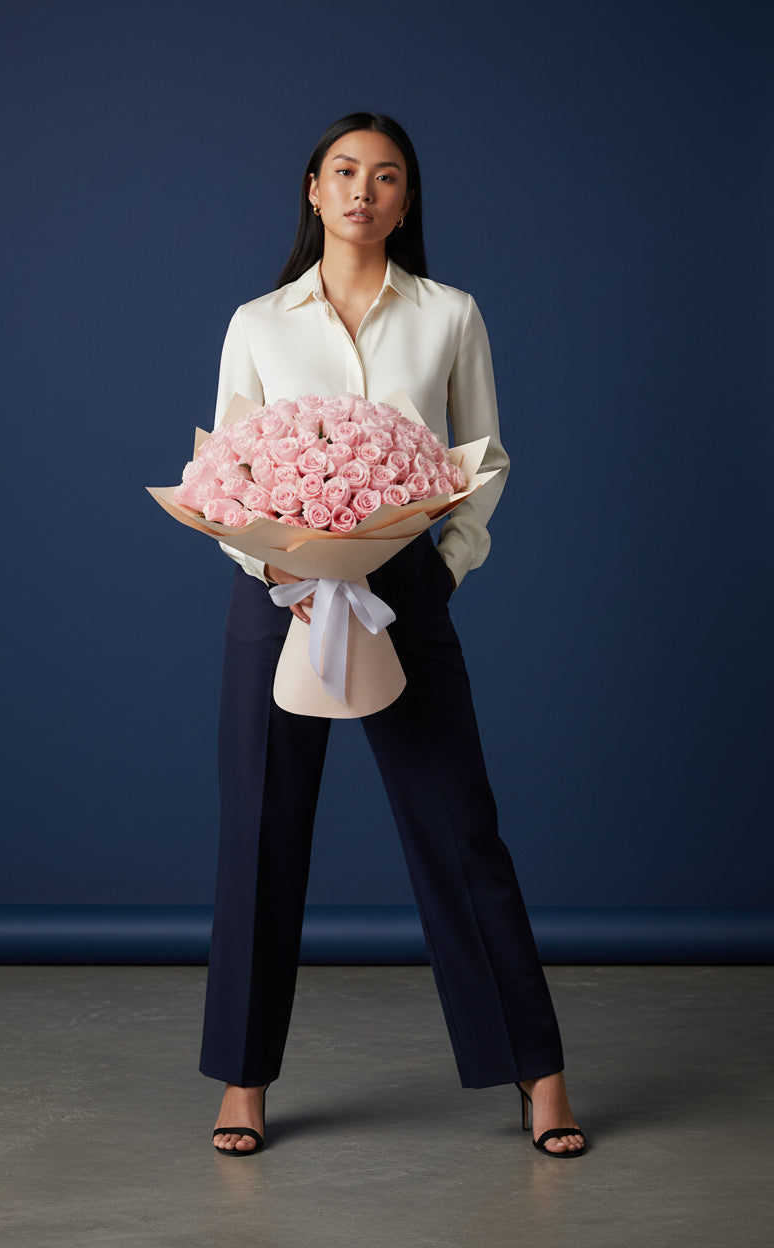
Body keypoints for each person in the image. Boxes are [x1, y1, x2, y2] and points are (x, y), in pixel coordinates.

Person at [200, 112, 586, 1159]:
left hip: (403, 596)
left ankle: (536, 1074)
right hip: (275, 599)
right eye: (343, 172)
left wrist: (442, 568)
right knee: (261, 838)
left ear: (405, 201)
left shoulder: (449, 315)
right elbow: (223, 469)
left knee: (461, 834)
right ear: (313, 192)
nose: (362, 191)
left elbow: (482, 459)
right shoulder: (258, 322)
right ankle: (243, 1080)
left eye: (385, 177)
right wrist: (271, 563)